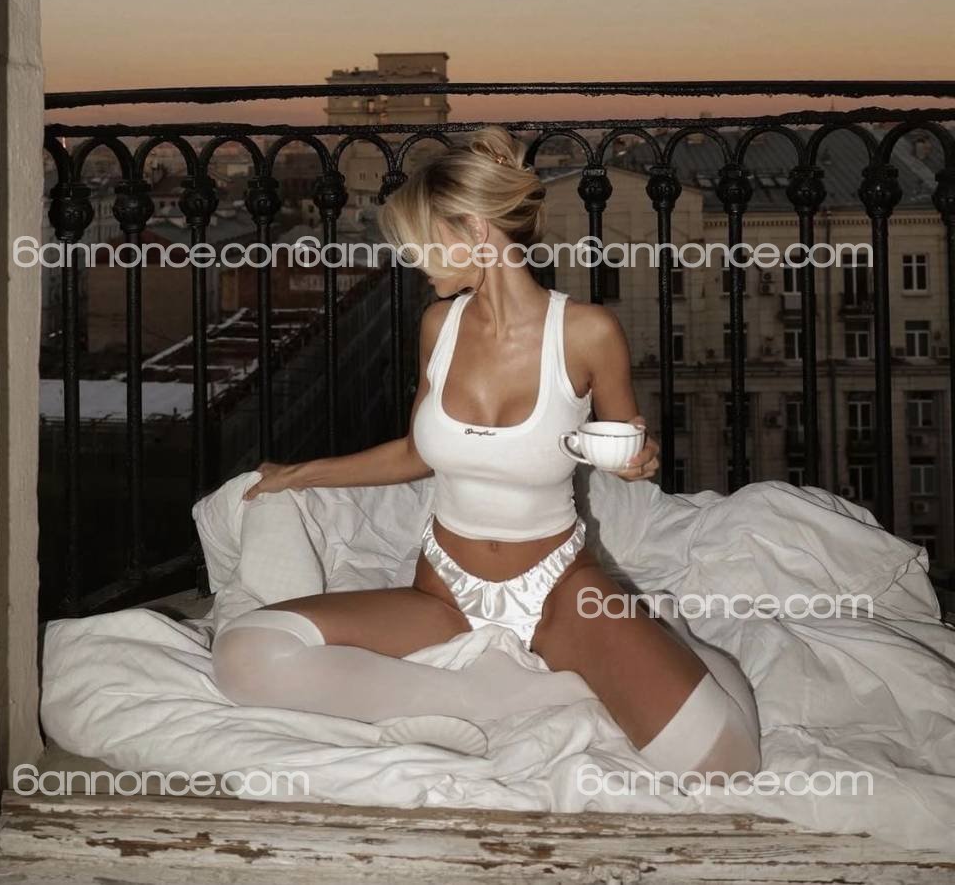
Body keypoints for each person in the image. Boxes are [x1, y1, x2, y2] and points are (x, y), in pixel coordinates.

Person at [212, 127, 760, 778]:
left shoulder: (588, 333)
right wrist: (298, 474)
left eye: (421, 243)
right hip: (444, 591)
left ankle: (667, 639)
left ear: (474, 230)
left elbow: (628, 449)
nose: (414, 261)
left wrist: (639, 463)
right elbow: (416, 452)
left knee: (723, 763)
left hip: (560, 591)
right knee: (247, 653)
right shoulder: (438, 325)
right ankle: (489, 702)